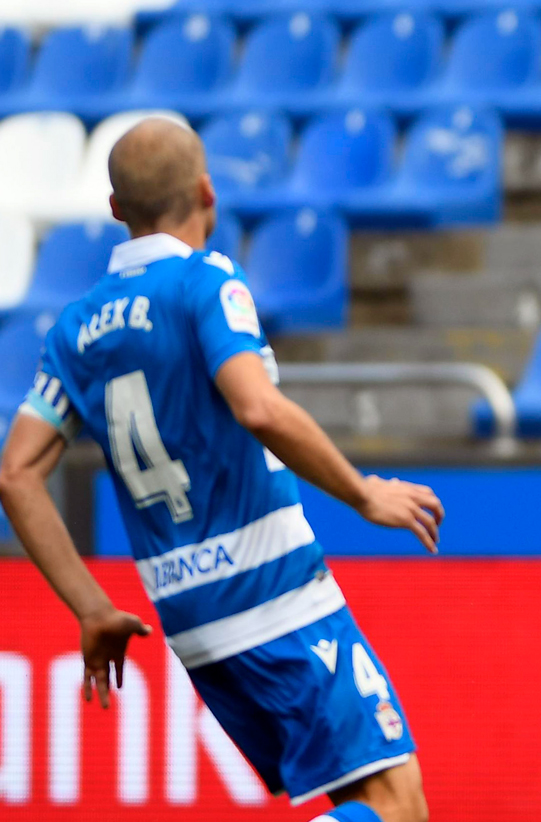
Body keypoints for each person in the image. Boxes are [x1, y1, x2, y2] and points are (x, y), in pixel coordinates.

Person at [0, 119, 443, 822]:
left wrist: (90, 607)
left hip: (192, 618)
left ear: (117, 211)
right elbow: (257, 407)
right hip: (274, 591)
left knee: (387, 797)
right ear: (208, 191)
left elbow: (16, 473)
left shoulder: (74, 328)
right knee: (396, 805)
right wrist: (365, 492)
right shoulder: (204, 282)